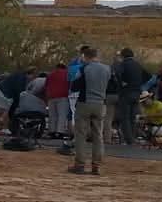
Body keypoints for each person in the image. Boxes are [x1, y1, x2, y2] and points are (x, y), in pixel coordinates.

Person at [69, 46, 111, 175]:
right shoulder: (108, 69)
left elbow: (74, 86)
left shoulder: (84, 69)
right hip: (101, 105)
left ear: (85, 56)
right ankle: (96, 166)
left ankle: (80, 164)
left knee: (81, 134)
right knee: (98, 135)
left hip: (85, 103)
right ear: (97, 55)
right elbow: (112, 86)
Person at [114, 47, 145, 146]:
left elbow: (117, 73)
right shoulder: (138, 65)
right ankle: (133, 137)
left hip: (126, 93)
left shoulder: (123, 64)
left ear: (123, 56)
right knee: (132, 117)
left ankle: (129, 139)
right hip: (136, 93)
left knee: (125, 117)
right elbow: (147, 76)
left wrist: (122, 83)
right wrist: (138, 84)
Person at [44, 62, 71, 137]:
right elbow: (69, 84)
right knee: (61, 115)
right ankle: (59, 132)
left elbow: (46, 85)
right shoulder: (67, 73)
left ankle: (51, 131)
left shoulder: (50, 74)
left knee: (52, 115)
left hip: (51, 96)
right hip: (63, 96)